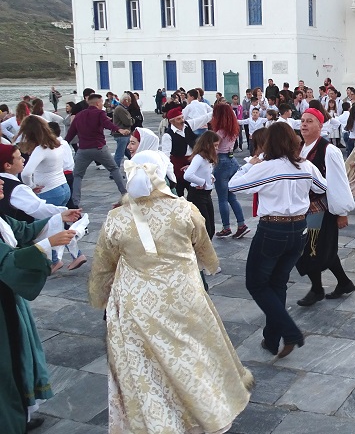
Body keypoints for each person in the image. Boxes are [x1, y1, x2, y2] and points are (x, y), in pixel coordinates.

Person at [88, 151, 252, 432]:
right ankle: (206, 413)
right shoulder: (185, 210)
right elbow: (204, 249)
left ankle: (159, 422)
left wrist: (101, 297)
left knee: (144, 368)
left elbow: (103, 266)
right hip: (183, 296)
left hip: (136, 302)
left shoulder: (116, 218)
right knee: (191, 356)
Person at [229, 122, 326, 357]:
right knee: (277, 283)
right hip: (299, 228)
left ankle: (290, 332)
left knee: (256, 283)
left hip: (273, 228)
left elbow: (233, 186)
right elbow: (322, 188)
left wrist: (250, 164)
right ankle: (271, 339)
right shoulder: (306, 165)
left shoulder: (267, 167)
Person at [0, 176, 77, 434]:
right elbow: (7, 261)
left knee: (18, 353)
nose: (1, 183)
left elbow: (22, 231)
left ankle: (20, 413)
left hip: (9, 298)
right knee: (6, 361)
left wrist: (59, 218)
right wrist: (47, 245)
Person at [295, 108, 355, 306]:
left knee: (313, 249)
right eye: (302, 121)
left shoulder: (329, 150)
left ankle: (317, 289)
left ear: (320, 126)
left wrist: (342, 212)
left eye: (309, 121)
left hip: (323, 208)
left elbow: (339, 181)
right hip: (304, 208)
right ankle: (344, 283)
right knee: (322, 249)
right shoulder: (299, 148)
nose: (304, 124)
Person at [63, 94, 129, 208]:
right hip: (99, 148)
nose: (102, 104)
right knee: (114, 169)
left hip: (83, 150)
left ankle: (75, 203)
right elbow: (107, 124)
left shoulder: (79, 115)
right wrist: (119, 129)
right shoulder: (99, 113)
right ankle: (125, 194)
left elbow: (71, 133)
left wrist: (62, 144)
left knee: (77, 175)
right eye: (101, 102)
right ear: (97, 103)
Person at [209, 103, 250, 239]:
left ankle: (226, 227)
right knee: (232, 197)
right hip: (232, 161)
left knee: (222, 199)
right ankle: (241, 224)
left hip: (221, 162)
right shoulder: (233, 129)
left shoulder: (219, 132)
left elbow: (214, 149)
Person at [111, 94, 134, 167]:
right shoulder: (120, 109)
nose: (130, 103)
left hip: (123, 134)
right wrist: (132, 120)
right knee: (120, 153)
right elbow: (128, 122)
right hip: (122, 134)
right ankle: (114, 170)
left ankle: (135, 164)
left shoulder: (121, 108)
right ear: (125, 101)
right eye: (129, 101)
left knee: (127, 152)